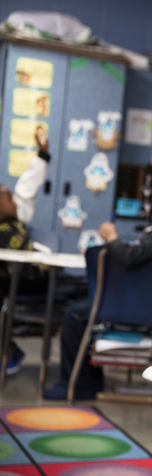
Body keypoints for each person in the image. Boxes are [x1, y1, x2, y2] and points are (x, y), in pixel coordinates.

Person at [43, 127, 152, 400]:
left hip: (136, 305)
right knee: (81, 297)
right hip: (144, 303)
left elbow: (130, 258)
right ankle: (89, 380)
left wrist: (112, 237)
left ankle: (78, 384)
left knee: (75, 314)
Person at [0, 132, 52, 374]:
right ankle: (10, 351)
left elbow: (26, 189)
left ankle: (9, 353)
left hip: (29, 281)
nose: (15, 201)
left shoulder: (17, 216)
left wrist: (42, 155)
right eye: (9, 199)